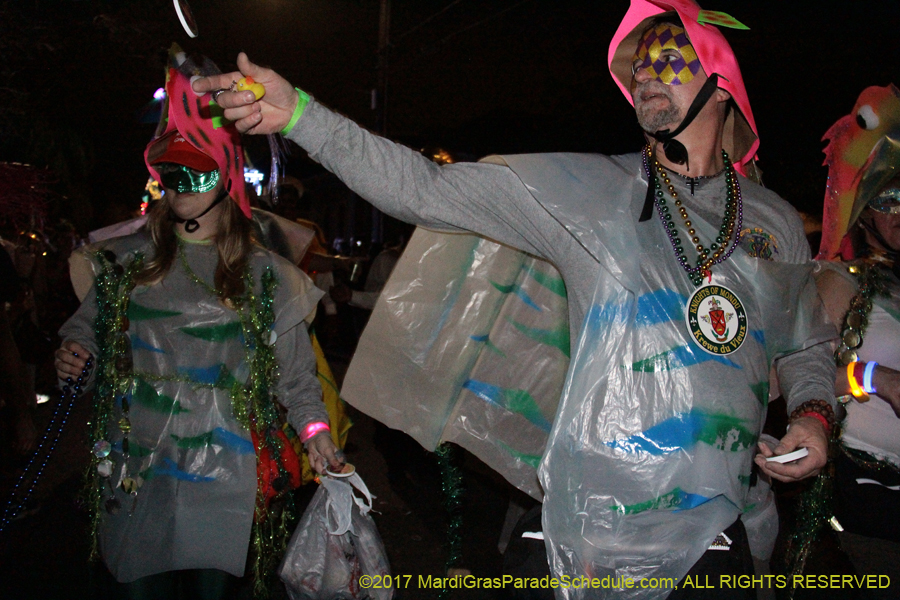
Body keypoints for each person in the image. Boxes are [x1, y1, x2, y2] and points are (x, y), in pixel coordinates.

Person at [196, 0, 836, 597]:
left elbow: (806, 342)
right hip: (592, 531)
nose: (646, 77)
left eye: (670, 59)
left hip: (714, 531)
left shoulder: (775, 223)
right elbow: (427, 189)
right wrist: (303, 116)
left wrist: (812, 416)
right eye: (638, 67)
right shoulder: (594, 193)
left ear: (720, 83)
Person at [54, 58, 342, 599]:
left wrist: (317, 438)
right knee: (137, 584)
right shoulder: (122, 264)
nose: (179, 183)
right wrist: (76, 356)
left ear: (226, 176)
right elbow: (85, 340)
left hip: (222, 473)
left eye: (195, 169)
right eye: (170, 172)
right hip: (136, 468)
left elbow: (297, 377)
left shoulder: (264, 276)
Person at [813, 83, 900, 597]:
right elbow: (803, 376)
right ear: (865, 209)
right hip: (873, 498)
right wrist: (878, 378)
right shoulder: (842, 279)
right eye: (887, 199)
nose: (898, 211)